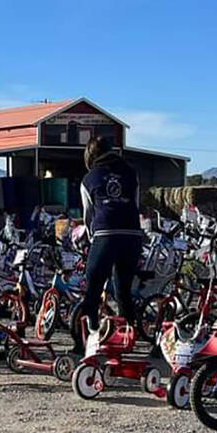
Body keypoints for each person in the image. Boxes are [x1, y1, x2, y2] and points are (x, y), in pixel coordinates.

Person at [75, 136, 145, 353]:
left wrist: (89, 238)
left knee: (93, 290)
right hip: (132, 234)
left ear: (90, 155)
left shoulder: (89, 178)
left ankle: (87, 341)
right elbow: (135, 203)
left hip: (105, 235)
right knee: (123, 290)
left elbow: (88, 216)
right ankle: (127, 338)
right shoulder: (131, 173)